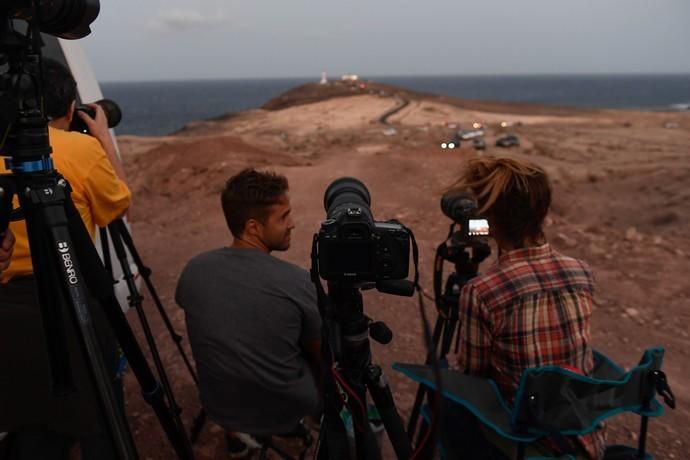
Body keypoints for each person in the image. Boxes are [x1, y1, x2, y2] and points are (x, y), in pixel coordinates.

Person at [0, 58, 131, 459]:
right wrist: (102, 138)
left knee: (30, 419)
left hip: (9, 308)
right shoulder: (81, 148)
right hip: (74, 296)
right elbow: (118, 206)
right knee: (101, 416)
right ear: (71, 109)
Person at [449, 156, 605, 459]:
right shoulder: (582, 271)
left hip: (525, 440)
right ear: (544, 212)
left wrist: (451, 363)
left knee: (444, 387)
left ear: (488, 221)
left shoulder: (482, 292)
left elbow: (474, 374)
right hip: (583, 435)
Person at [176, 168, 321, 456]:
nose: (293, 224)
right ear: (253, 227)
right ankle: (312, 421)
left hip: (219, 405)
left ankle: (239, 437)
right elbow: (322, 355)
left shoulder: (194, 269)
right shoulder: (297, 281)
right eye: (283, 217)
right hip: (284, 408)